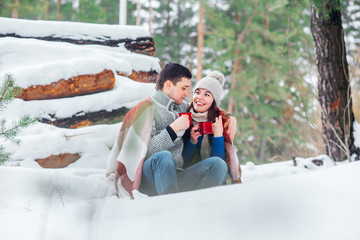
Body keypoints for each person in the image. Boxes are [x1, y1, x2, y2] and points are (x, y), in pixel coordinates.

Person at [106, 62, 228, 198]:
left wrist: (220, 127)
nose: (187, 94)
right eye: (184, 88)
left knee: (218, 164)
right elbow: (142, 152)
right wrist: (173, 129)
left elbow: (205, 108)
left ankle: (202, 208)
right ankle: (171, 210)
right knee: (164, 156)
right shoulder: (147, 109)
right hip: (148, 179)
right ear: (169, 85)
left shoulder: (183, 108)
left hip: (177, 176)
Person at [182, 71, 242, 184]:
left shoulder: (224, 121)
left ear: (214, 100)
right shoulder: (184, 117)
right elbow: (183, 162)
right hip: (190, 177)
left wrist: (218, 136)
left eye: (207, 94)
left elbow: (219, 164)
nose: (199, 97)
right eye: (197, 92)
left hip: (213, 178)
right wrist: (192, 141)